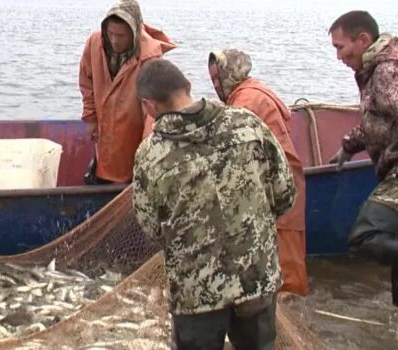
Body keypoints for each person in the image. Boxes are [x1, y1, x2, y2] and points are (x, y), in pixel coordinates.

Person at [132, 58, 295, 349]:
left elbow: (151, 227)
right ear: (189, 87)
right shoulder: (248, 124)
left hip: (197, 294)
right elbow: (284, 192)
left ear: (149, 105)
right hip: (255, 280)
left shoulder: (150, 154)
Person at [208, 49, 308, 295]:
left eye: (217, 80)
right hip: (277, 181)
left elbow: (234, 147)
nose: (216, 87)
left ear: (231, 74)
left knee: (287, 260)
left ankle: (293, 317)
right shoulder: (252, 91)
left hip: (278, 185)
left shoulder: (247, 101)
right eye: (212, 81)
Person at [327, 10, 398, 305]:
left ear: (363, 40)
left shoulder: (386, 72)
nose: (338, 56)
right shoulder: (375, 71)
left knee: (365, 235)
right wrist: (349, 145)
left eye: (340, 47)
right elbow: (378, 118)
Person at [79, 0, 175, 185]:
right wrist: (90, 117)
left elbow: (153, 109)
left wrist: (148, 147)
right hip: (104, 132)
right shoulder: (94, 42)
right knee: (103, 168)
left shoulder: (150, 57)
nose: (114, 40)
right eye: (111, 33)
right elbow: (86, 82)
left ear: (135, 32)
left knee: (129, 172)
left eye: (121, 35)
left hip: (132, 134)